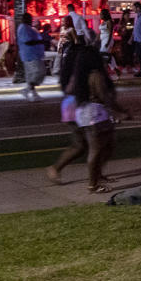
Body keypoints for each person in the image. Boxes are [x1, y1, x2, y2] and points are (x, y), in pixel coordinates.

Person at [70, 47, 129, 193]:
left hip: (84, 112)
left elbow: (69, 90)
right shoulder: (96, 75)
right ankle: (93, 184)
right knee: (96, 150)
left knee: (108, 145)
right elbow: (105, 97)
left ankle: (98, 175)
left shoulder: (79, 75)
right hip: (95, 114)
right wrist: (121, 111)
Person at [45, 45, 86, 185]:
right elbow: (72, 89)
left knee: (90, 144)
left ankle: (97, 173)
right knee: (81, 145)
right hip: (75, 108)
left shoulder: (69, 70)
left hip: (72, 106)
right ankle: (55, 168)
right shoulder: (76, 71)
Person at [16, 12, 46, 101]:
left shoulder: (27, 28)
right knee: (39, 72)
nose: (31, 20)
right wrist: (39, 42)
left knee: (33, 74)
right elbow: (27, 41)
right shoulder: (23, 28)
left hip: (33, 54)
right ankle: (28, 90)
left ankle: (32, 93)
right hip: (30, 55)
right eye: (29, 19)